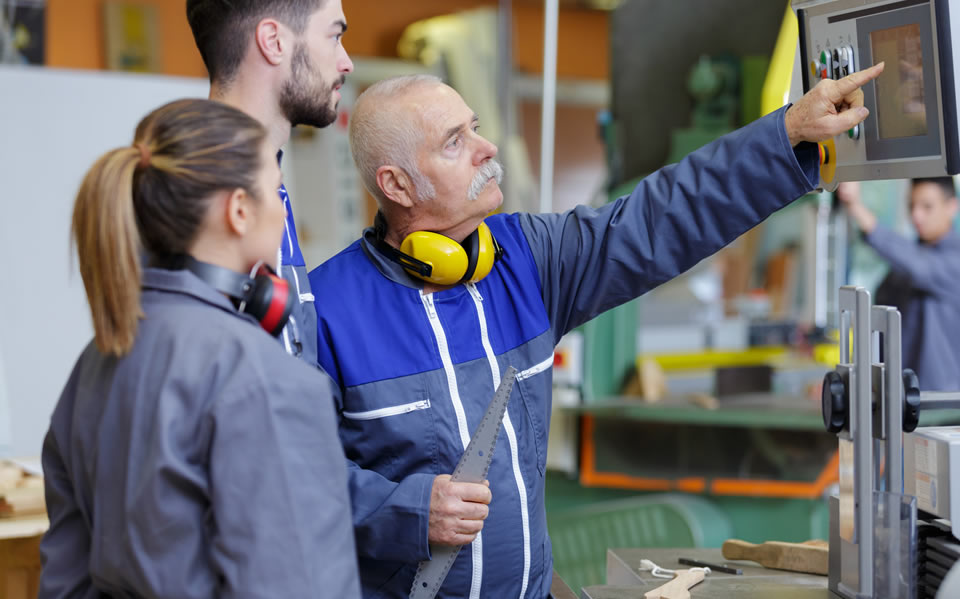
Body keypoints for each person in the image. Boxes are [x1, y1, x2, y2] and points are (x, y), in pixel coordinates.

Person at [309, 62, 884, 598]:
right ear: (398, 185)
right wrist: (407, 510)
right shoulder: (327, 312)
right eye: (455, 143)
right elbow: (288, 480)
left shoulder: (525, 261)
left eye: (475, 128)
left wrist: (785, 136)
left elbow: (660, 215)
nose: (487, 150)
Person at [38, 99, 360, 599]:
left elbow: (65, 579)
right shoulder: (263, 375)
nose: (282, 208)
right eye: (277, 191)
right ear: (238, 210)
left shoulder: (95, 361)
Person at [186, 0, 354, 364]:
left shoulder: (262, 182)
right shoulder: (202, 201)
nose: (346, 62)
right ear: (274, 42)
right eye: (334, 35)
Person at [837, 178, 960, 390]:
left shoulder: (951, 260)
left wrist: (857, 208)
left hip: (943, 405)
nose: (916, 215)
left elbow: (920, 267)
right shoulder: (904, 264)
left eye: (927, 206)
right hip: (900, 399)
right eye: (911, 205)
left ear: (952, 207)